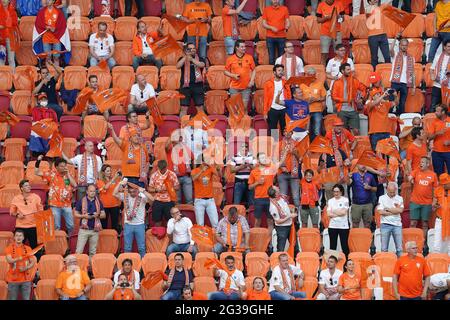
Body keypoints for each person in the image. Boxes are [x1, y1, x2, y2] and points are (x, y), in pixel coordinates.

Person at [34, 156, 77, 235]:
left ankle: (70, 243)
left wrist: (68, 174)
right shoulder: (51, 174)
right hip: (54, 204)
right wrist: (38, 161)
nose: (64, 167)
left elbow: (74, 185)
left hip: (67, 204)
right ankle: (58, 244)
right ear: (56, 167)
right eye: (61, 166)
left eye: (65, 166)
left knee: (71, 226)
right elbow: (36, 172)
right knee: (56, 226)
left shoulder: (68, 175)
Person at [113, 179, 154, 257]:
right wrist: (120, 183)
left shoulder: (142, 196)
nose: (132, 193)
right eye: (130, 191)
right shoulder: (125, 195)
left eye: (134, 192)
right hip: (128, 225)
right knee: (127, 248)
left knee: (142, 248)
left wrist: (143, 191)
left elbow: (152, 199)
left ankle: (143, 267)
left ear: (137, 190)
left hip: (140, 225)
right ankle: (126, 266)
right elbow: (114, 193)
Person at [107, 123, 149, 188]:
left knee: (141, 196)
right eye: (134, 136)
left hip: (141, 178)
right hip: (128, 177)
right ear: (130, 138)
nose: (136, 137)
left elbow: (147, 162)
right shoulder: (126, 145)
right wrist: (112, 129)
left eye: (138, 135)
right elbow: (116, 140)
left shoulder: (143, 147)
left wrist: (145, 172)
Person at [331, 63, 366, 135]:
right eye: (348, 69)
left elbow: (364, 89)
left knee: (356, 131)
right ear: (342, 71)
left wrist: (361, 98)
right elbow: (334, 97)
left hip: (353, 109)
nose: (350, 71)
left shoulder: (354, 80)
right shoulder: (337, 82)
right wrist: (346, 100)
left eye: (350, 69)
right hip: (342, 110)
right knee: (343, 132)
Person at [408, 157, 439, 239]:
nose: (421, 163)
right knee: (413, 222)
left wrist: (434, 201)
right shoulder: (416, 171)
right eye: (420, 162)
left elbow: (436, 189)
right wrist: (410, 179)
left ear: (428, 164)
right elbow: (410, 177)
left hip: (427, 203)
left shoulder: (433, 175)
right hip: (415, 201)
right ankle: (412, 239)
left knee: (425, 223)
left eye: (423, 162)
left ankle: (423, 241)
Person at [74, 184, 106, 259]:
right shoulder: (81, 201)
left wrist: (97, 215)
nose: (92, 193)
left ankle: (91, 269)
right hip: (84, 230)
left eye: (94, 191)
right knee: (79, 251)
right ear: (87, 192)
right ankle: (79, 268)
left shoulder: (99, 202)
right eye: (91, 191)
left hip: (95, 230)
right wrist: (84, 216)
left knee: (93, 252)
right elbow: (75, 214)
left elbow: (104, 215)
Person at [10, 180, 43, 250]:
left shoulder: (36, 197)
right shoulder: (16, 198)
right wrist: (17, 215)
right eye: (26, 185)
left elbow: (41, 211)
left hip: (33, 226)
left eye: (29, 185)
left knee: (35, 248)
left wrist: (39, 214)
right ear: (21, 188)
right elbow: (12, 212)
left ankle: (36, 260)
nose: (29, 187)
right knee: (18, 247)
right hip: (20, 226)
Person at [248, 152, 276, 233]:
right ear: (258, 160)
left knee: (270, 221)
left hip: (270, 199)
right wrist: (257, 183)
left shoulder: (270, 169)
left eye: (265, 157)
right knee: (257, 221)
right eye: (262, 158)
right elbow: (249, 187)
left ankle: (270, 243)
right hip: (258, 199)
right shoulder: (254, 172)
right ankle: (257, 241)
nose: (264, 159)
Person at [4, 229, 36, 300]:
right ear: (14, 238)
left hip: (26, 280)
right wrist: (19, 258)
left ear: (23, 238)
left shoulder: (28, 248)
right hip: (12, 280)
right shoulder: (9, 248)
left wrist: (26, 268)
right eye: (17, 236)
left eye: (20, 236)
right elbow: (9, 260)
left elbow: (32, 262)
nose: (18, 237)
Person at [176, 42, 206, 117]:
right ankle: (183, 127)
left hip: (198, 87)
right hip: (185, 87)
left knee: (200, 108)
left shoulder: (200, 58)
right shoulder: (182, 58)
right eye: (190, 49)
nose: (192, 50)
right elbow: (178, 66)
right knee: (183, 108)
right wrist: (185, 57)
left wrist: (192, 59)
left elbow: (202, 65)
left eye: (194, 48)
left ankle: (200, 127)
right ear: (186, 50)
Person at [224, 40, 256, 108]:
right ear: (237, 48)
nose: (244, 48)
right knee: (235, 108)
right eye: (242, 47)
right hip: (234, 87)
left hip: (246, 87)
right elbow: (225, 71)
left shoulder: (249, 57)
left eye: (244, 46)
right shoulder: (230, 59)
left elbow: (254, 70)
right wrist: (233, 75)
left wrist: (252, 81)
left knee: (244, 108)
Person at [318, 135, 351, 200]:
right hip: (329, 182)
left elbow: (348, 162)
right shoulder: (323, 155)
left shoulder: (340, 152)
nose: (331, 144)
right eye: (329, 142)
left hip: (340, 180)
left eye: (332, 142)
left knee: (343, 199)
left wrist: (348, 163)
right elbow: (318, 170)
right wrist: (321, 166)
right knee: (330, 201)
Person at [34, 0, 67, 66]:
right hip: (46, 37)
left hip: (56, 37)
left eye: (49, 0)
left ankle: (56, 74)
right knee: (47, 57)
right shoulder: (42, 12)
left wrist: (55, 28)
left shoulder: (58, 12)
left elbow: (62, 24)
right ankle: (49, 74)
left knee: (56, 57)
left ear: (53, 1)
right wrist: (45, 27)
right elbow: (38, 23)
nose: (47, 1)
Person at [165, 131, 194, 205]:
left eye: (180, 137)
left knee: (190, 201)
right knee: (177, 201)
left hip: (186, 177)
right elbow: (166, 146)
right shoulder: (170, 149)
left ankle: (189, 216)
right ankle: (177, 216)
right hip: (174, 178)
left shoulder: (185, 148)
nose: (180, 138)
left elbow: (193, 159)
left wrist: (193, 173)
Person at [148, 160, 179, 227]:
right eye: (160, 169)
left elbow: (177, 187)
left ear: (166, 167)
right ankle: (158, 235)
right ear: (158, 167)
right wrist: (156, 190)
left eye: (164, 169)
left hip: (169, 200)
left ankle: (170, 236)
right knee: (157, 221)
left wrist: (168, 188)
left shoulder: (172, 174)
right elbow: (149, 189)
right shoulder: (154, 175)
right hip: (157, 201)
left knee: (171, 221)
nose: (162, 170)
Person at [389, 37, 416, 115]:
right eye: (402, 45)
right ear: (399, 45)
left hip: (405, 83)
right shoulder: (395, 55)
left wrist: (413, 86)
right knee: (392, 101)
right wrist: (395, 39)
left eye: (406, 45)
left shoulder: (411, 58)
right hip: (395, 81)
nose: (404, 47)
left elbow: (413, 72)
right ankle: (390, 117)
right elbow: (390, 49)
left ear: (407, 46)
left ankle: (400, 119)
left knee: (402, 103)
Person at [366, 87, 398, 151]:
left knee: (386, 153)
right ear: (373, 97)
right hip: (375, 133)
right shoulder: (369, 104)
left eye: (379, 94)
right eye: (377, 94)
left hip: (386, 132)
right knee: (376, 153)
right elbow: (374, 103)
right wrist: (383, 95)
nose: (379, 95)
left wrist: (396, 96)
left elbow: (395, 103)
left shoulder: (385, 104)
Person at [191, 159, 220, 228]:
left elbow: (218, 175)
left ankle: (216, 238)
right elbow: (193, 178)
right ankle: (201, 238)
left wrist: (211, 166)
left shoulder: (210, 169)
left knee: (215, 223)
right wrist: (202, 171)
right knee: (200, 224)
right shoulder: (194, 170)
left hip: (210, 200)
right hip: (199, 200)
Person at [268, 186, 298, 253]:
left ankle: (296, 261)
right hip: (282, 228)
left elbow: (285, 208)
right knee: (281, 249)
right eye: (277, 189)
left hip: (290, 226)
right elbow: (278, 221)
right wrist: (289, 216)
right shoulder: (272, 207)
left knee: (295, 246)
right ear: (275, 194)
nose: (279, 188)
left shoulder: (281, 197)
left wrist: (291, 210)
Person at [276, 128, 301, 207]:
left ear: (292, 133)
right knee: (283, 198)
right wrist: (281, 167)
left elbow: (301, 160)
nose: (288, 133)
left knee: (296, 198)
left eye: (289, 132)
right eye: (286, 131)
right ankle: (285, 217)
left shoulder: (297, 144)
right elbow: (275, 159)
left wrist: (295, 153)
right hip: (282, 174)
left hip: (294, 173)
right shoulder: (279, 144)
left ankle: (298, 218)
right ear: (283, 132)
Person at [378, 182, 404, 257]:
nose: (392, 194)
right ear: (387, 190)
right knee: (384, 249)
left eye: (393, 192)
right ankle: (384, 264)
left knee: (399, 249)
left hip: (397, 225)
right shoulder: (381, 198)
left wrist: (388, 209)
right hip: (385, 225)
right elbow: (380, 212)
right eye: (390, 192)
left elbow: (400, 211)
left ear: (396, 190)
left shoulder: (400, 198)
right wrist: (395, 211)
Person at [263, 64, 289, 135]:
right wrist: (265, 112)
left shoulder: (286, 83)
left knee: (285, 130)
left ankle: (284, 145)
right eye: (279, 70)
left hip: (284, 109)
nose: (281, 72)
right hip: (272, 109)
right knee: (273, 131)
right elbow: (265, 98)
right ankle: (274, 145)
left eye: (282, 70)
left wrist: (289, 109)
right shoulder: (268, 83)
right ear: (274, 72)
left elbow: (289, 97)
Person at [301, 67, 327, 141]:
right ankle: (307, 147)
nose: (312, 76)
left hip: (317, 110)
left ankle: (316, 148)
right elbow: (297, 98)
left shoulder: (319, 84)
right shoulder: (302, 85)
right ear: (307, 75)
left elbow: (324, 97)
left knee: (317, 130)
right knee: (306, 131)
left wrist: (316, 99)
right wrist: (306, 100)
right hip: (305, 111)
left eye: (313, 75)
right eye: (310, 75)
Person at [261, 0, 289, 65]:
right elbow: (263, 24)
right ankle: (272, 74)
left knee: (281, 59)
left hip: (281, 36)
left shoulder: (285, 9)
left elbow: (287, 21)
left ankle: (281, 74)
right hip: (270, 37)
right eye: (274, 0)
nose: (275, 1)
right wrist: (271, 27)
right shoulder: (266, 9)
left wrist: (287, 25)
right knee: (271, 59)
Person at [317, 0, 345, 65]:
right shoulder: (321, 5)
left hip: (337, 32)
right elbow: (318, 20)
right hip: (325, 32)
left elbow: (342, 19)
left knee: (339, 52)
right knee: (324, 53)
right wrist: (326, 18)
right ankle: (322, 69)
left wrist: (338, 17)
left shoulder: (339, 4)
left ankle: (339, 68)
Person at [229, 141, 256, 205]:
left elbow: (255, 170)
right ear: (240, 148)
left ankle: (250, 215)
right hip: (239, 182)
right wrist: (241, 167)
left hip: (250, 182)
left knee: (251, 204)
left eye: (246, 146)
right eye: (243, 147)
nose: (245, 148)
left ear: (248, 148)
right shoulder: (234, 157)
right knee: (236, 203)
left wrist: (249, 165)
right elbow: (231, 170)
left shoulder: (252, 156)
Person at [326, 184, 350, 257]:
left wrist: (334, 212)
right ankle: (333, 262)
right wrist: (338, 212)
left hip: (343, 227)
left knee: (344, 246)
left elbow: (343, 212)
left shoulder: (345, 200)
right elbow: (328, 214)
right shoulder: (330, 201)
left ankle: (346, 262)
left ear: (341, 192)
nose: (336, 193)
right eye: (334, 191)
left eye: (337, 191)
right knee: (333, 246)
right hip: (332, 226)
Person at [365, 1, 391, 69]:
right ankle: (374, 74)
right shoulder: (368, 8)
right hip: (372, 36)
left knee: (387, 56)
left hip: (383, 35)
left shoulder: (381, 7)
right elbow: (371, 10)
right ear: (369, 1)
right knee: (374, 58)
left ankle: (388, 72)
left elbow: (389, 1)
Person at [97, 164, 122, 231]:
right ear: (103, 172)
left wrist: (121, 177)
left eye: (110, 171)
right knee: (104, 225)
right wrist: (114, 178)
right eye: (108, 171)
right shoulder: (100, 181)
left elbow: (119, 188)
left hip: (115, 205)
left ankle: (115, 239)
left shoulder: (114, 180)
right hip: (104, 206)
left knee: (115, 225)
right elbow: (106, 187)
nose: (110, 172)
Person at [428, 104, 450, 176]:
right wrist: (437, 133)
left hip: (449, 152)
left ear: (443, 112)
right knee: (438, 174)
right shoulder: (433, 122)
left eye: (437, 111)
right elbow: (429, 137)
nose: (435, 112)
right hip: (437, 152)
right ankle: (440, 187)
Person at [432, 173, 450, 255]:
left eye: (448, 183)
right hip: (440, 220)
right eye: (445, 184)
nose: (447, 185)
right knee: (437, 244)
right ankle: (436, 263)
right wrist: (436, 206)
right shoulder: (437, 190)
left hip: (449, 220)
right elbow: (433, 206)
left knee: (448, 245)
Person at [428, 0, 450, 64]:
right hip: (438, 32)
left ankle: (445, 70)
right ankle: (429, 69)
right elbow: (435, 18)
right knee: (431, 53)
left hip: (448, 33)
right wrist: (435, 29)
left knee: (446, 55)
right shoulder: (438, 4)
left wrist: (444, 26)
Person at [430, 40, 450, 109]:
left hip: (448, 87)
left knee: (446, 107)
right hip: (437, 85)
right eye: (448, 46)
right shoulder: (438, 56)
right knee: (434, 106)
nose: (449, 48)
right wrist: (432, 75)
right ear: (444, 47)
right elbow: (432, 68)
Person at [0, 0, 18, 69]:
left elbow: (15, 23)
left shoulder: (13, 11)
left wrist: (5, 25)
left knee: (11, 59)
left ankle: (13, 78)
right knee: (1, 59)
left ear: (9, 1)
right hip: (1, 38)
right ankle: (1, 77)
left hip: (11, 37)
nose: (4, 1)